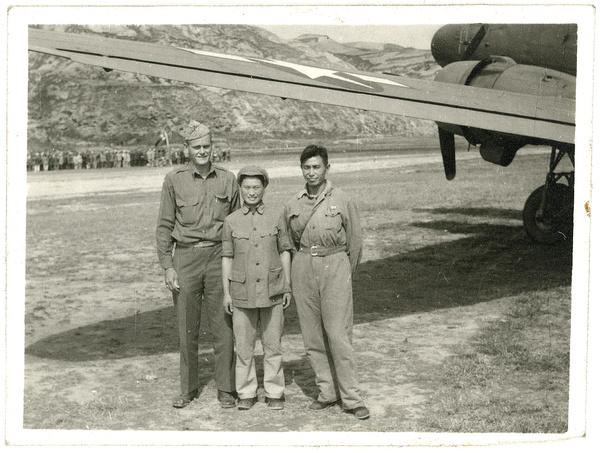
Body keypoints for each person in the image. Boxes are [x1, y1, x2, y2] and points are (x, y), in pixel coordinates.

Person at [280, 144, 370, 420]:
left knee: (338, 334)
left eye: (316, 167)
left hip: (335, 265)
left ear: (326, 168)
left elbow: (355, 242)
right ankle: (327, 392)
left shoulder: (342, 199)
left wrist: (343, 271)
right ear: (301, 170)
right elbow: (287, 241)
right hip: (304, 266)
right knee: (312, 335)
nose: (311, 172)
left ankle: (351, 398)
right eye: (306, 167)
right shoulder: (293, 204)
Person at [156, 120, 239, 409]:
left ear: (212, 147)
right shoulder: (174, 179)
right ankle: (188, 389)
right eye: (197, 147)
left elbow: (238, 224)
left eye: (206, 146)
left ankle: (227, 389)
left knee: (224, 327)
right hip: (186, 258)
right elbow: (164, 226)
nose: (202, 152)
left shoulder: (228, 180)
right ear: (186, 149)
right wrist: (168, 265)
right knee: (186, 328)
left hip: (219, 258)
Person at [221, 165, 292, 411]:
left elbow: (285, 251)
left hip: (272, 291)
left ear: (264, 188)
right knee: (244, 347)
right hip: (242, 293)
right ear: (240, 189)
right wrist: (227, 292)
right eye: (247, 187)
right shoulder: (231, 221)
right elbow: (227, 258)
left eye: (256, 187)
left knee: (273, 346)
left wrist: (286, 286)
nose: (252, 192)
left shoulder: (277, 216)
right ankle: (247, 392)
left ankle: (274, 392)